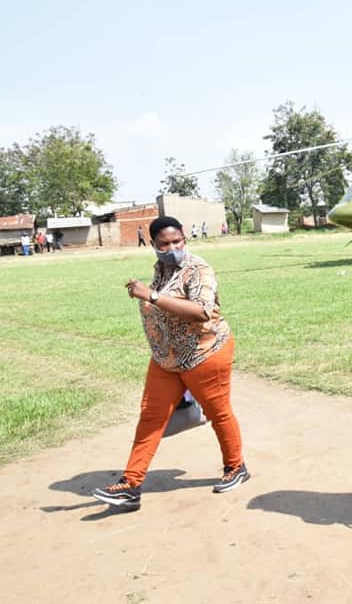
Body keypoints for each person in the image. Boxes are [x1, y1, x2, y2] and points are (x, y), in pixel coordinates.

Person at [92, 216, 249, 510]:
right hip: (168, 358)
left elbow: (201, 311)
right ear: (153, 245)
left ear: (185, 239)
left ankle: (236, 466)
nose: (172, 247)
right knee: (151, 417)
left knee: (219, 412)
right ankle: (131, 484)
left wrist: (151, 295)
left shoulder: (198, 269)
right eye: (164, 243)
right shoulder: (161, 269)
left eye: (177, 241)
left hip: (205, 353)